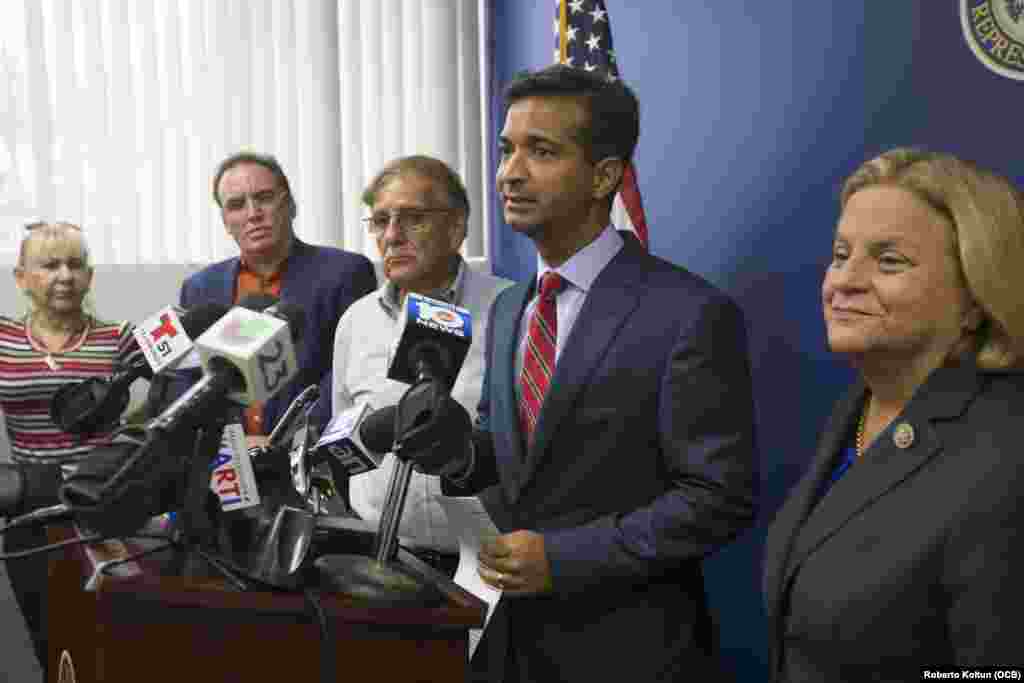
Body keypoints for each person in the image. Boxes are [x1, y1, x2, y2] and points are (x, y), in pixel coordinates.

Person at [419, 65, 758, 681]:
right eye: (506, 150)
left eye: (541, 152)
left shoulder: (688, 314)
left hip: (631, 655)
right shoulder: (506, 309)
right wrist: (457, 453)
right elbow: (511, 465)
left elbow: (720, 498)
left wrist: (565, 558)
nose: (509, 173)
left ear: (605, 175)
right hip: (509, 651)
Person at [763, 148, 1024, 680]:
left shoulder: (1007, 453)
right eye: (840, 255)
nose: (844, 282)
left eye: (889, 261)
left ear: (974, 297)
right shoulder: (859, 409)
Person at [332, 155, 512, 572]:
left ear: (457, 227)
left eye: (413, 218)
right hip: (382, 559)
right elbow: (344, 433)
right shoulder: (355, 320)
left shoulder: (510, 310)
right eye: (380, 221)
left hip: (487, 562)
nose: (392, 236)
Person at [0, 222, 142, 674]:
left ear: (90, 276)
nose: (64, 275)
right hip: (29, 515)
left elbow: (164, 412)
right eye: (49, 264)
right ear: (21, 277)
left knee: (108, 643)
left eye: (75, 264)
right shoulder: (2, 339)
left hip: (102, 513)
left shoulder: (119, 337)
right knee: (51, 643)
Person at [178, 152, 377, 445]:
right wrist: (227, 447)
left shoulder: (345, 273)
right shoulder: (199, 288)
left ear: (290, 205)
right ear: (225, 221)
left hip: (307, 456)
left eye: (264, 198)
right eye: (236, 205)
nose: (253, 213)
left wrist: (284, 441)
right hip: (225, 464)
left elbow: (347, 371)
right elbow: (191, 381)